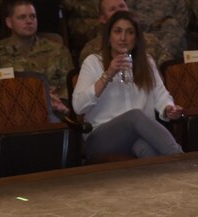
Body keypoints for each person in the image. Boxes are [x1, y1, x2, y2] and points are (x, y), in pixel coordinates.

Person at [72, 11, 183, 159]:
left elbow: (161, 95)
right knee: (135, 116)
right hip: (100, 139)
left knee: (144, 148)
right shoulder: (93, 62)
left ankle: (168, 177)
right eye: (117, 31)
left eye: (129, 32)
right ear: (109, 36)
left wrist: (168, 108)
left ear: (136, 38)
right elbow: (78, 107)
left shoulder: (147, 62)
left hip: (138, 135)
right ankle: (180, 157)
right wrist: (108, 74)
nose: (123, 38)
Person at [0, 0, 74, 113]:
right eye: (22, 17)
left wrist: (56, 101)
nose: (29, 21)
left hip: (55, 110)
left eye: (32, 16)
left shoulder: (57, 50)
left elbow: (70, 86)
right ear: (9, 22)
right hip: (13, 112)